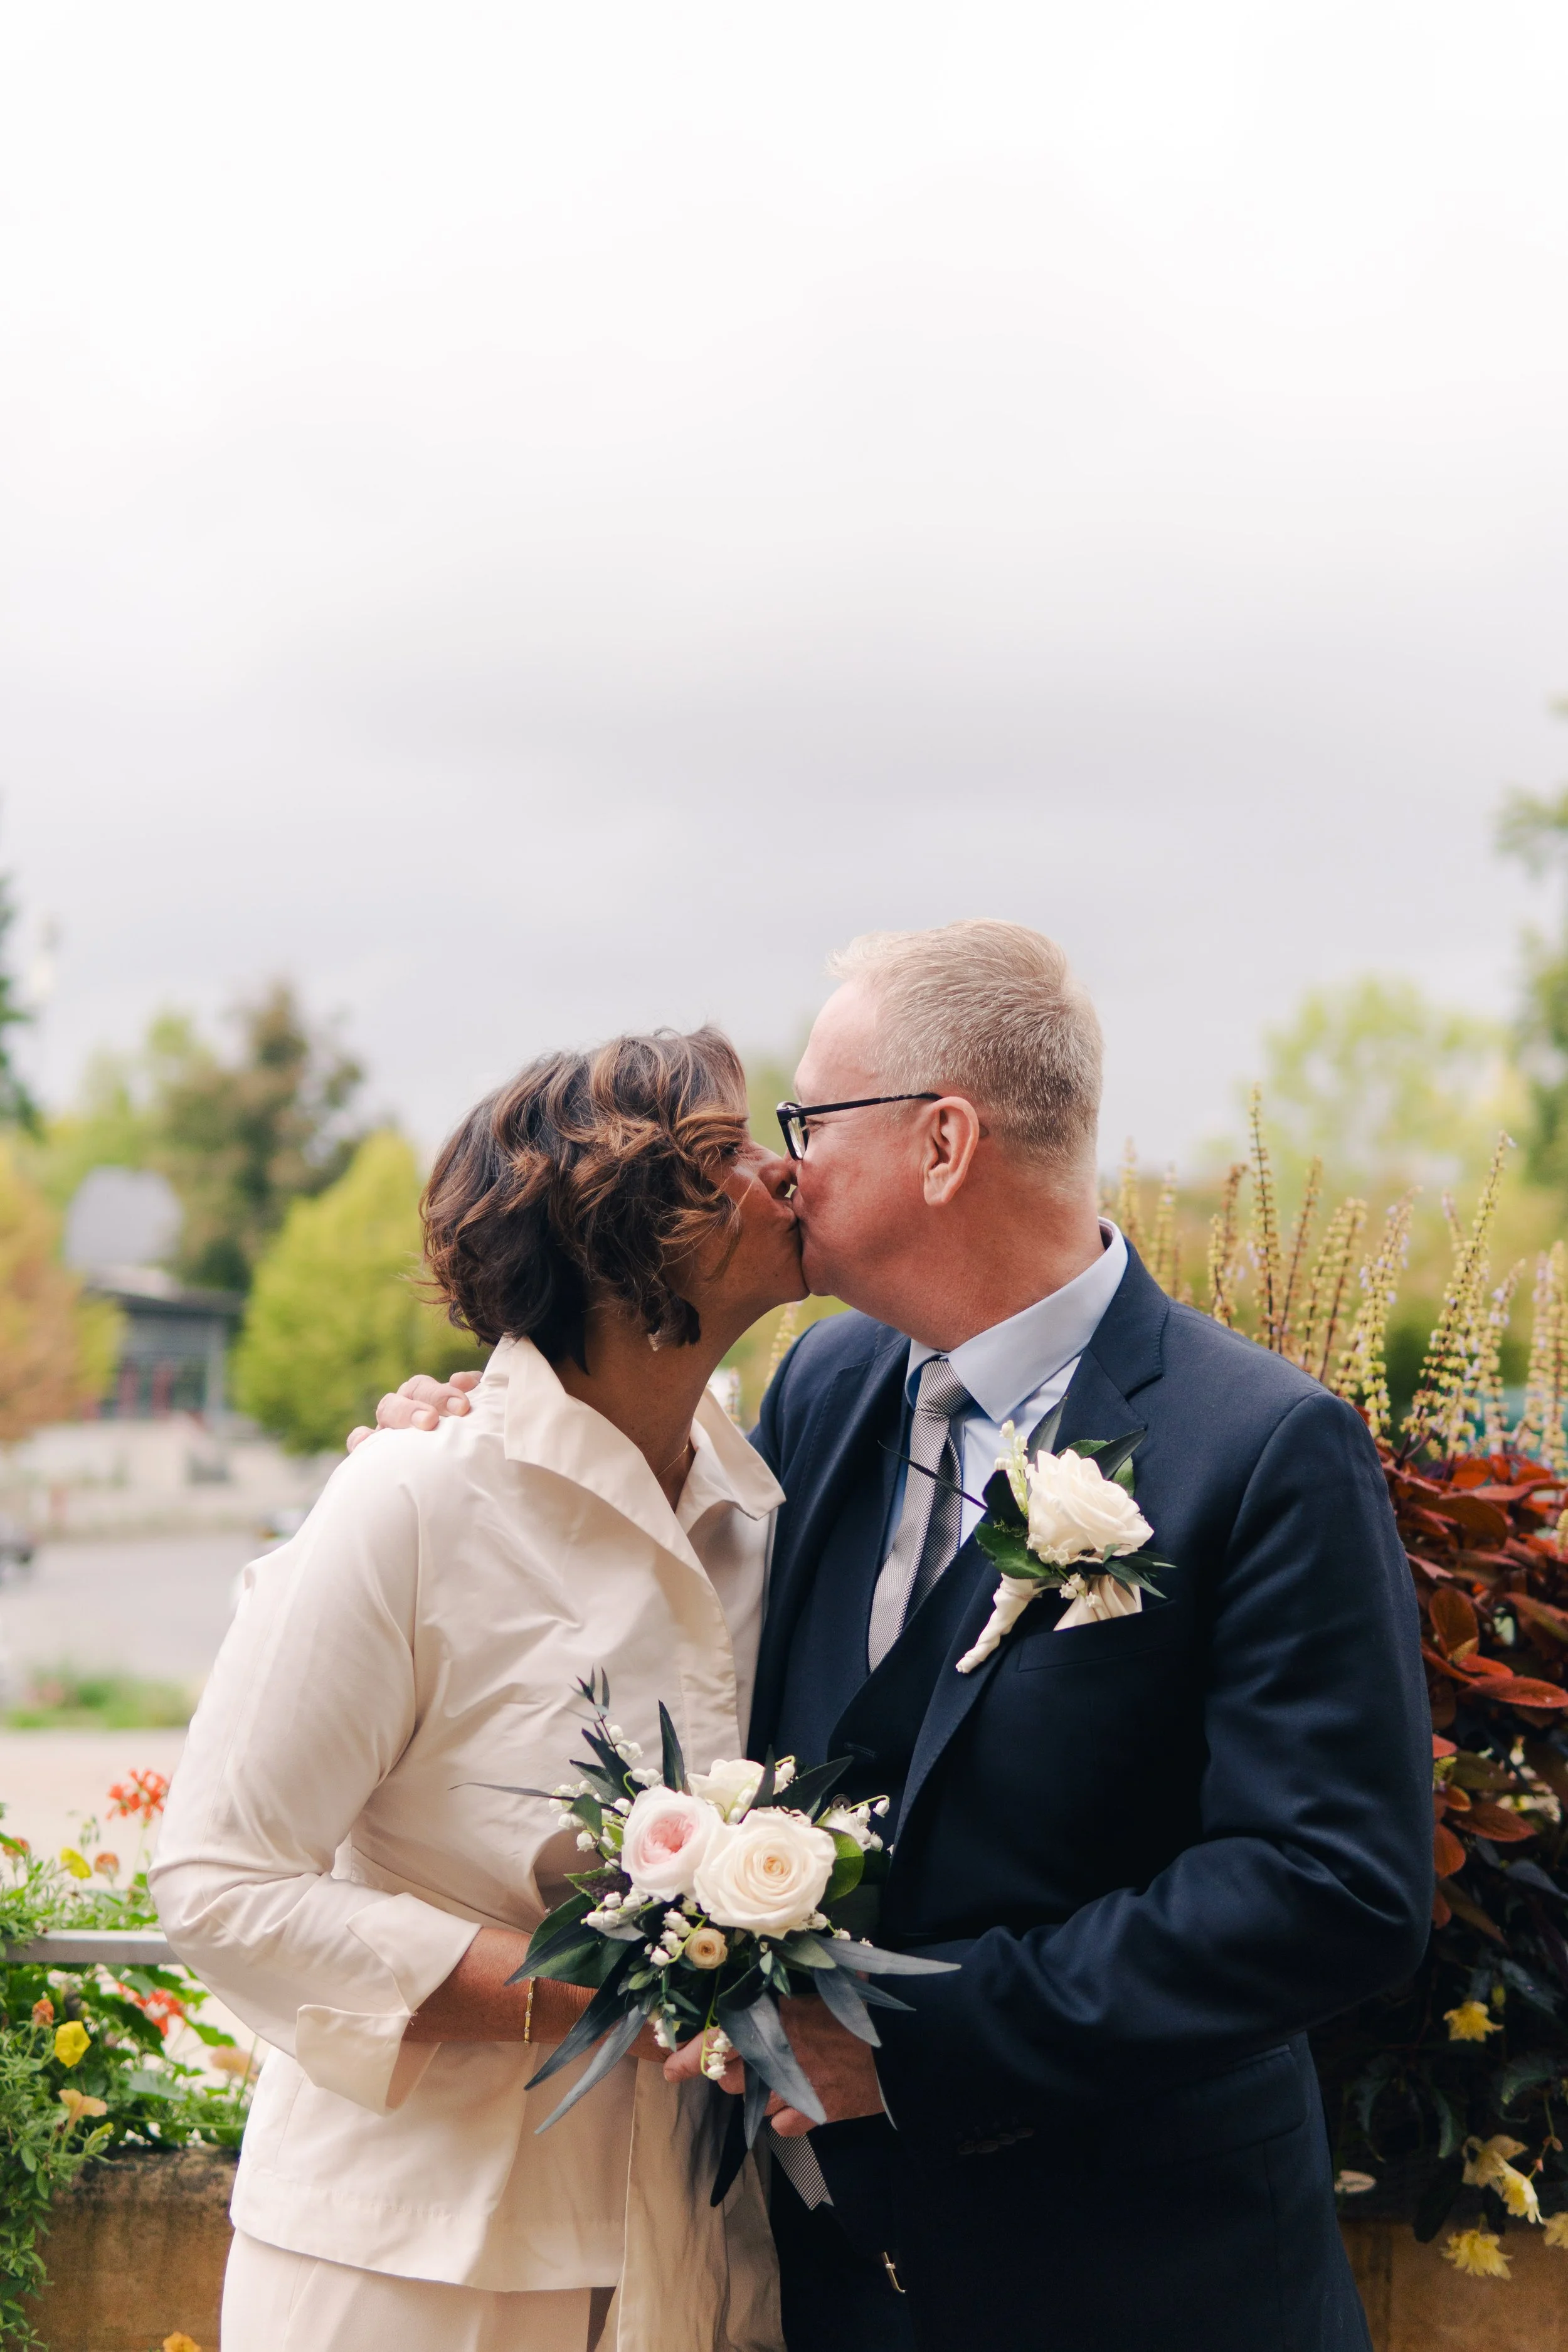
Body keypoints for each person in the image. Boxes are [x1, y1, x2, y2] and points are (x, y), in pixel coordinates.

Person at [382, 920, 1432, 2352]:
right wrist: (479, 1436)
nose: (780, 1166)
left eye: (810, 1120)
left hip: (1150, 2286)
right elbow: (652, 1566)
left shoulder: (1261, 1449)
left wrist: (906, 2040)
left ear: (942, 1144)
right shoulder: (824, 1382)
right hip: (818, 2286)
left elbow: (1330, 1886)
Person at [152, 1028, 803, 2352]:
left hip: (695, 2261)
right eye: (730, 1153)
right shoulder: (410, 1496)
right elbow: (217, 1881)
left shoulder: (763, 1515)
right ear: (626, 1232)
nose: (784, 1172)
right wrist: (610, 1991)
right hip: (407, 2271)